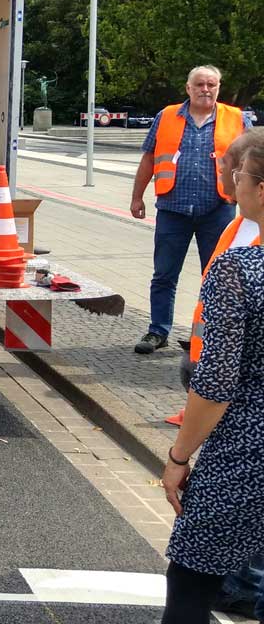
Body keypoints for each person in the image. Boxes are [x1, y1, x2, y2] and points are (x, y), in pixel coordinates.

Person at [160, 139, 264, 624]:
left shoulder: (241, 271)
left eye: (239, 176)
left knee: (191, 578)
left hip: (246, 454)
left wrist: (179, 457)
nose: (233, 184)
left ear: (260, 191)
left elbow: (216, 385)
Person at [129, 66, 252, 354]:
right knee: (164, 275)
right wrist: (137, 197)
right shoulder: (167, 116)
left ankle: (209, 336)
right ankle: (157, 331)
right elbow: (149, 159)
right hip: (173, 209)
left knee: (217, 277)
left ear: (219, 87)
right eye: (199, 84)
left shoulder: (236, 119)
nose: (205, 89)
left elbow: (253, 162)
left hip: (218, 210)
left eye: (212, 84)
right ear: (188, 88)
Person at [170, 128, 264, 426]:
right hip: (210, 363)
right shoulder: (236, 226)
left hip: (235, 386)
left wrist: (179, 456)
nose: (219, 170)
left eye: (224, 165)